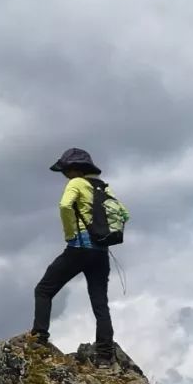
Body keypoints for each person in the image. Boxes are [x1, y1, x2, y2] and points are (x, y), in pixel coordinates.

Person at [31, 148, 128, 367]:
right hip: (101, 253)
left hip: (79, 247)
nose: (64, 174)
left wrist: (71, 234)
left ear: (75, 169)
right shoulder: (104, 186)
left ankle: (39, 338)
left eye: (66, 169)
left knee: (44, 289)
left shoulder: (76, 183)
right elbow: (124, 213)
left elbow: (65, 205)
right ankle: (104, 356)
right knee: (100, 304)